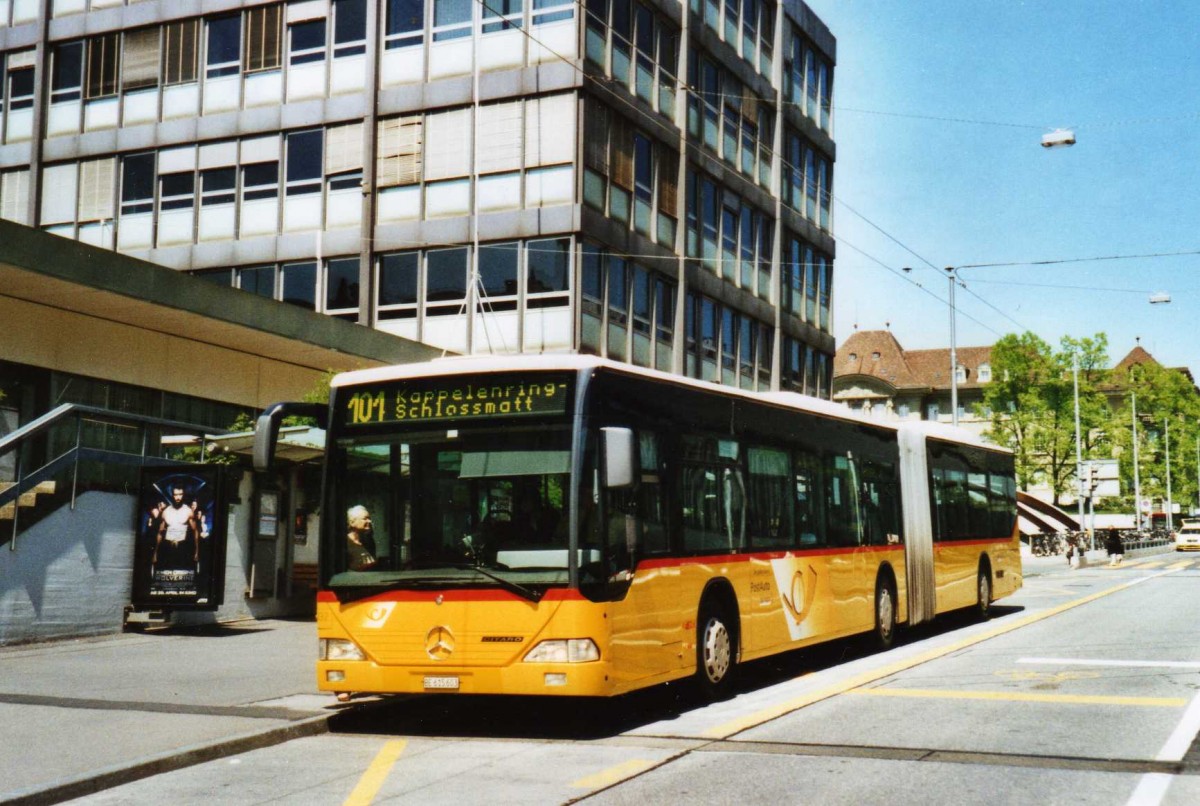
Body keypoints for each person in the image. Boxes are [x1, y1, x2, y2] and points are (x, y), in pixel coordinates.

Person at [153, 485, 202, 571]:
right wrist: (155, 553)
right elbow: (160, 533)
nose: (178, 497)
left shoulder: (188, 511)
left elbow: (195, 532)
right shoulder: (166, 512)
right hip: (167, 549)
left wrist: (197, 551)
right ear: (172, 495)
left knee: (184, 575)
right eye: (176, 495)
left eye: (180, 494)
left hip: (184, 549)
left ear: (183, 495)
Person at [346, 505, 378, 571]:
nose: (369, 521)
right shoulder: (345, 544)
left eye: (369, 518)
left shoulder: (369, 542)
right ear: (352, 523)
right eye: (365, 519)